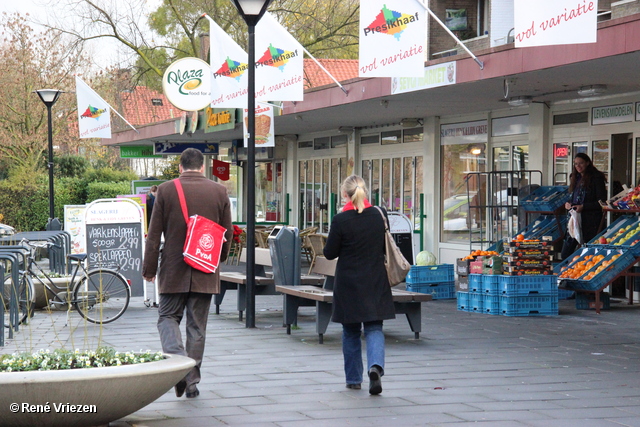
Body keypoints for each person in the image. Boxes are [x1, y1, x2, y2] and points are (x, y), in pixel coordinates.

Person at [143, 148, 233, 399]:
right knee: (197, 327)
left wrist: (149, 269)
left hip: (174, 268)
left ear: (180, 168)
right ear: (202, 167)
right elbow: (227, 234)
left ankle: (178, 367)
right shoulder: (219, 191)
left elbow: (154, 234)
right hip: (205, 269)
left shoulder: (166, 189)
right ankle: (191, 380)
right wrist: (218, 259)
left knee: (167, 317)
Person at [323, 175, 395, 395]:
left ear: (345, 194)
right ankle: (375, 367)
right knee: (374, 327)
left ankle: (354, 379)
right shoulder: (379, 215)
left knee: (351, 330)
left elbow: (329, 253)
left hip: (349, 283)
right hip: (375, 280)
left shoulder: (340, 220)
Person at [561, 152, 607, 260]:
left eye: (581, 163)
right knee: (565, 254)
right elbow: (573, 197)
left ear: (587, 163)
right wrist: (569, 204)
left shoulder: (596, 178)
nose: (578, 166)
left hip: (591, 222)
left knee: (589, 254)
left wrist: (584, 207)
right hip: (575, 220)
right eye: (576, 164)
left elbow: (601, 202)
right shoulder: (575, 178)